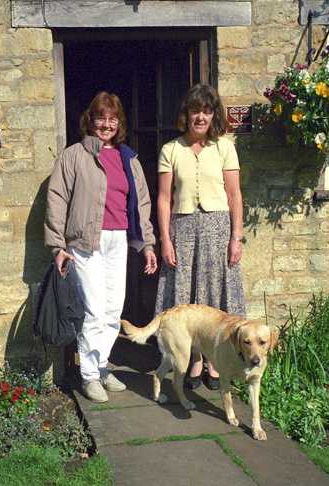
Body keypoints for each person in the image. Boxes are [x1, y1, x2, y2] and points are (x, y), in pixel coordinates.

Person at [45, 92, 158, 403]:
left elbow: (142, 204)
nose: (106, 124)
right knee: (94, 310)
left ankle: (102, 365)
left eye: (113, 119)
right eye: (101, 118)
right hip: (85, 242)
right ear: (90, 120)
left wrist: (147, 242)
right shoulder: (74, 156)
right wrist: (57, 245)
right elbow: (56, 199)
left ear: (119, 123)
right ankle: (89, 376)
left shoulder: (128, 158)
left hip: (117, 239)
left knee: (112, 309)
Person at [155, 84, 246, 391]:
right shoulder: (171, 150)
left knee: (215, 294)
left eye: (207, 111)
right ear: (187, 114)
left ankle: (214, 363)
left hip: (217, 228)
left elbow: (234, 195)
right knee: (186, 294)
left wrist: (237, 237)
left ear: (213, 115)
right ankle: (192, 360)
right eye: (196, 111)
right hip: (182, 229)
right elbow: (165, 198)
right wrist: (165, 240)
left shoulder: (224, 147)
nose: (201, 117)